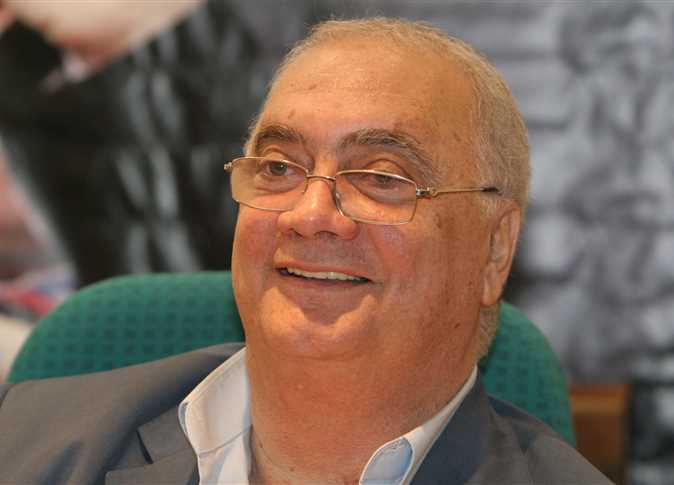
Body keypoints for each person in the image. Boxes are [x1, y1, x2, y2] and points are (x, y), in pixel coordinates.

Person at [0, 17, 611, 485]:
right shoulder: (25, 441)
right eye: (278, 167)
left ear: (495, 251)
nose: (310, 214)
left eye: (381, 177)